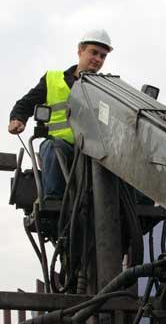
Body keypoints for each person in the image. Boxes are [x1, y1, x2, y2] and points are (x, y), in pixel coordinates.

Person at [8, 29, 113, 199]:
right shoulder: (53, 80)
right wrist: (17, 119)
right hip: (61, 147)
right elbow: (25, 103)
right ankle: (54, 200)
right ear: (80, 51)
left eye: (103, 56)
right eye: (94, 53)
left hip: (94, 152)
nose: (98, 59)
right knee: (53, 147)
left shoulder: (108, 89)